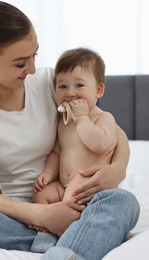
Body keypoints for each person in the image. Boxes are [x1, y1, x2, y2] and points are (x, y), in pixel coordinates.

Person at [0, 1, 140, 259]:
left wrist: (117, 169)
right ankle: (60, 241)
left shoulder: (51, 83)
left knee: (123, 202)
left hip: (67, 204)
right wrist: (43, 215)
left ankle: (62, 246)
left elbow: (108, 126)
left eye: (35, 55)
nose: (32, 69)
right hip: (11, 216)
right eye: (20, 63)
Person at [32, 48, 118, 207]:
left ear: (98, 90)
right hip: (63, 186)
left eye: (79, 85)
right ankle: (46, 221)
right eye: (62, 86)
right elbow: (57, 152)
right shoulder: (63, 121)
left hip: (90, 184)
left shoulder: (103, 117)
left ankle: (65, 219)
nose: (70, 92)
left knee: (72, 198)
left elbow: (99, 145)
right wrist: (48, 173)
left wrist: (82, 118)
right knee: (41, 195)